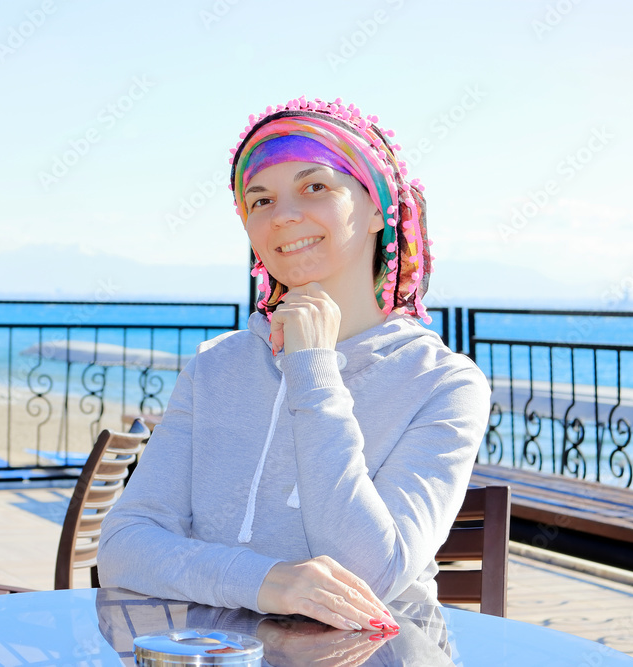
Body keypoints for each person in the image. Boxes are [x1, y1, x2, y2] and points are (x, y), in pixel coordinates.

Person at [96, 96, 492, 634]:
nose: (282, 215)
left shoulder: (444, 382)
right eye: (259, 201)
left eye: (315, 187)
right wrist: (267, 581)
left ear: (378, 207)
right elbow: (124, 544)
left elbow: (373, 573)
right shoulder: (216, 366)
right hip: (220, 653)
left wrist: (313, 370)